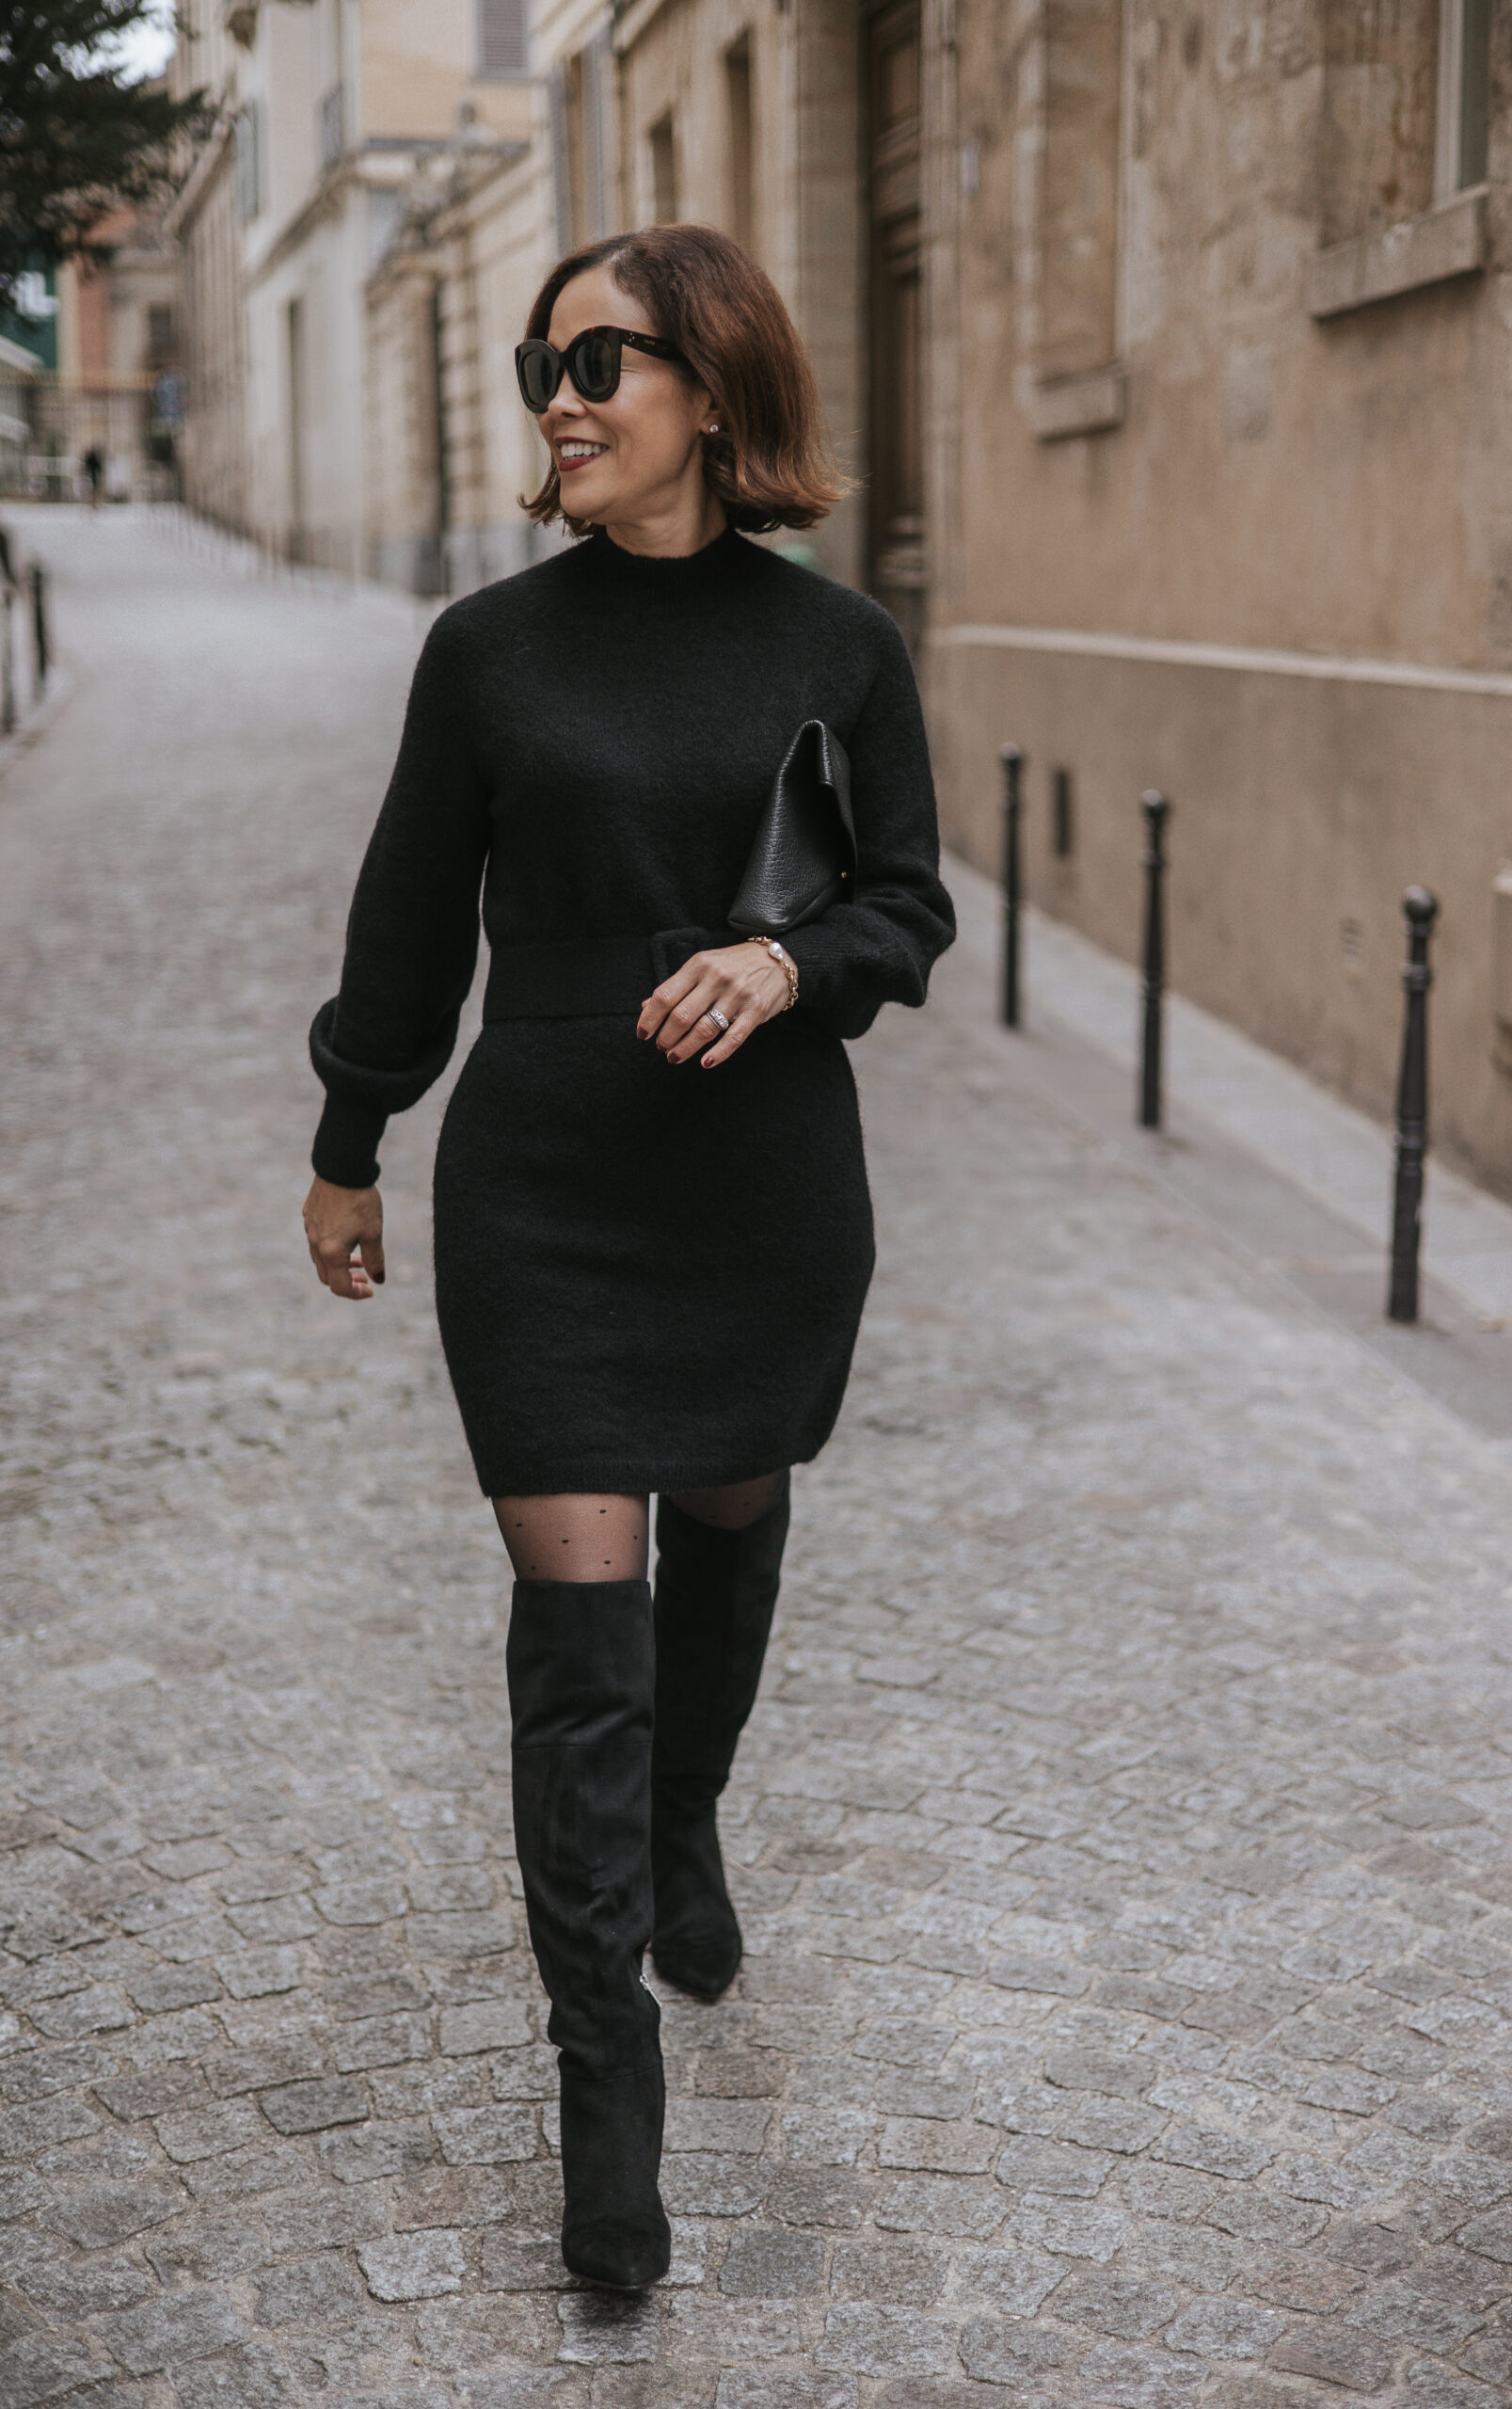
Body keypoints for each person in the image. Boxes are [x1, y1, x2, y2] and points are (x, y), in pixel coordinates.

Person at [300, 224, 954, 2290]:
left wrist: (785, 957)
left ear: (714, 389)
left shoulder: (834, 645)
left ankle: (687, 1821)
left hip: (760, 1186)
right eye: (539, 365)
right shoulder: (485, 651)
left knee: (733, 1509)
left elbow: (909, 910)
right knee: (574, 1617)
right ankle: (607, 2096)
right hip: (547, 1188)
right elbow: (408, 922)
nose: (561, 396)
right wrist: (350, 1133)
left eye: (603, 358)